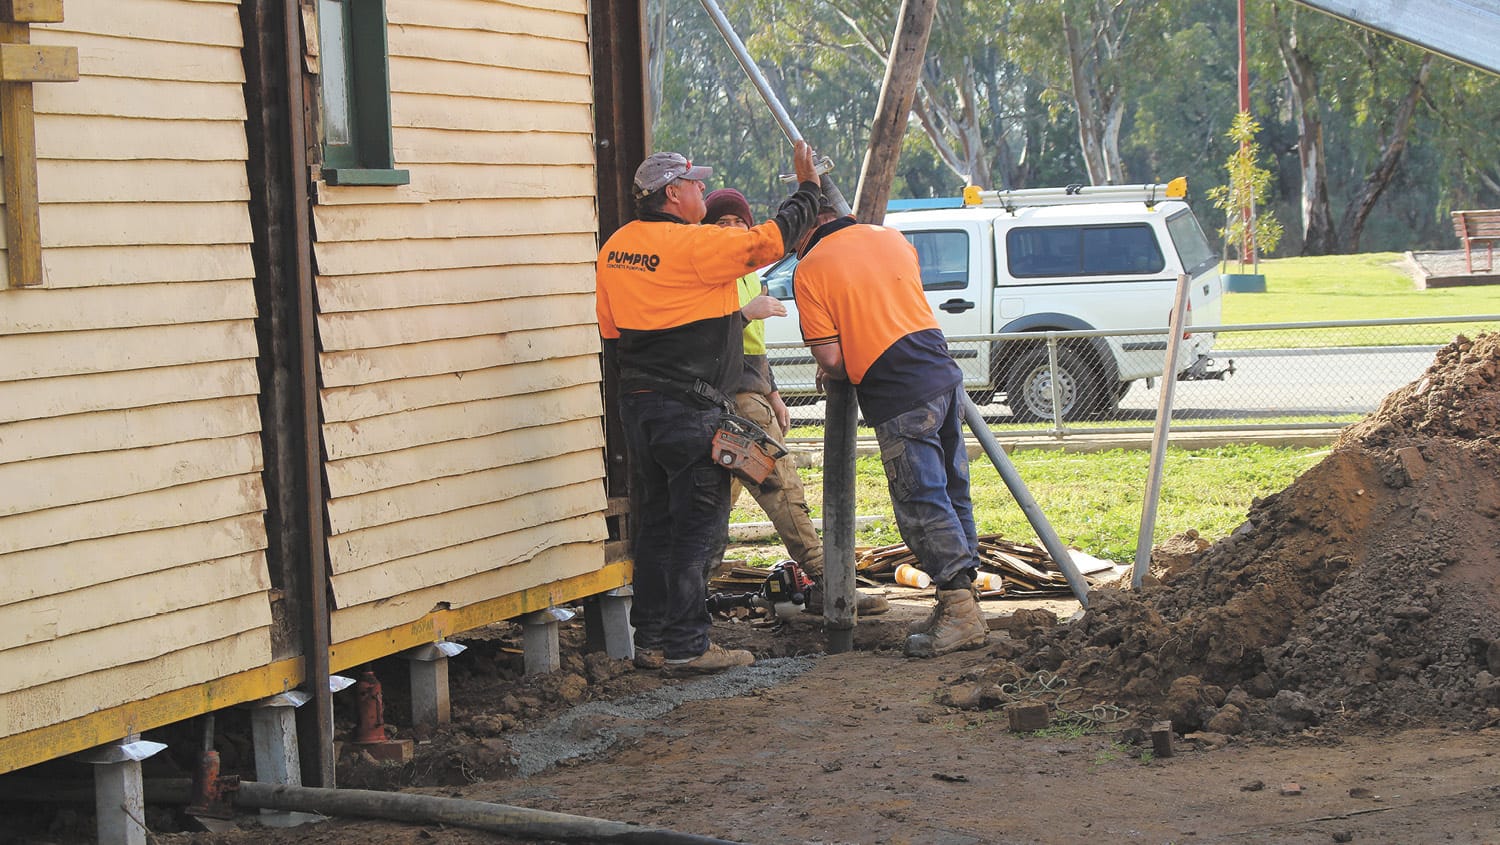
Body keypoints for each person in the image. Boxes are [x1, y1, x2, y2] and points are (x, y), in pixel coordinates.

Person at [595, 143, 823, 674]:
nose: (702, 189)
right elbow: (771, 240)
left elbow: (611, 330)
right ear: (673, 194)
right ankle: (689, 645)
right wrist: (808, 189)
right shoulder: (694, 245)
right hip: (690, 408)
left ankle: (651, 640)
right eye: (696, 184)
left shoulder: (616, 248)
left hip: (640, 406)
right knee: (697, 528)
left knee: (656, 527)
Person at [791, 206, 987, 657]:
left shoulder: (810, 268)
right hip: (941, 375)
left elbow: (834, 362)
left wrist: (838, 363)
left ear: (804, 234)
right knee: (953, 493)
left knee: (922, 500)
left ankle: (960, 612)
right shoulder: (891, 238)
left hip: (898, 391)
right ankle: (962, 602)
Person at [702, 187, 890, 618]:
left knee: (718, 501)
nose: (732, 230)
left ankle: (690, 597)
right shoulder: (707, 274)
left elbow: (754, 349)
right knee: (780, 486)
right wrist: (745, 313)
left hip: (747, 396)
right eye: (721, 223)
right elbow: (697, 334)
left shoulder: (749, 275)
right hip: (726, 403)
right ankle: (828, 582)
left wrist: (773, 395)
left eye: (738, 223)